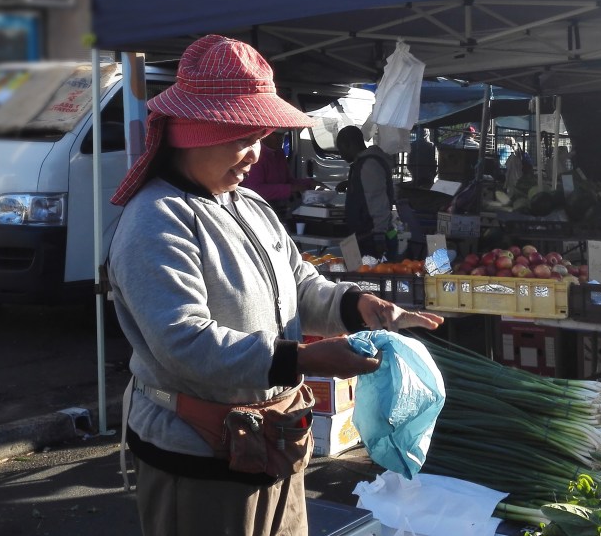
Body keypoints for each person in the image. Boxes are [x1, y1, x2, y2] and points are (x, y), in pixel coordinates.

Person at [106, 35, 444, 536]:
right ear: (193, 133)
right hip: (199, 453)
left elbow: (300, 285)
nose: (253, 154)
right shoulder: (155, 221)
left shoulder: (251, 207)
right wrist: (303, 359)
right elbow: (183, 342)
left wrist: (358, 306)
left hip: (275, 441)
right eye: (242, 138)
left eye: (259, 136)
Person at [335, 125, 399, 260]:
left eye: (341, 149)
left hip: (373, 239)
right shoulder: (363, 164)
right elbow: (369, 189)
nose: (340, 154)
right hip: (364, 237)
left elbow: (378, 202)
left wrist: (379, 236)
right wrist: (350, 184)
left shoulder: (369, 165)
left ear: (349, 144)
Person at [240, 129, 322, 219]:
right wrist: (290, 189)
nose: (281, 139)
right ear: (266, 135)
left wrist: (309, 183)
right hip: (259, 208)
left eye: (282, 136)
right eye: (277, 135)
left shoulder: (279, 153)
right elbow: (255, 190)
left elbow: (287, 180)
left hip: (280, 207)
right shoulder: (256, 156)